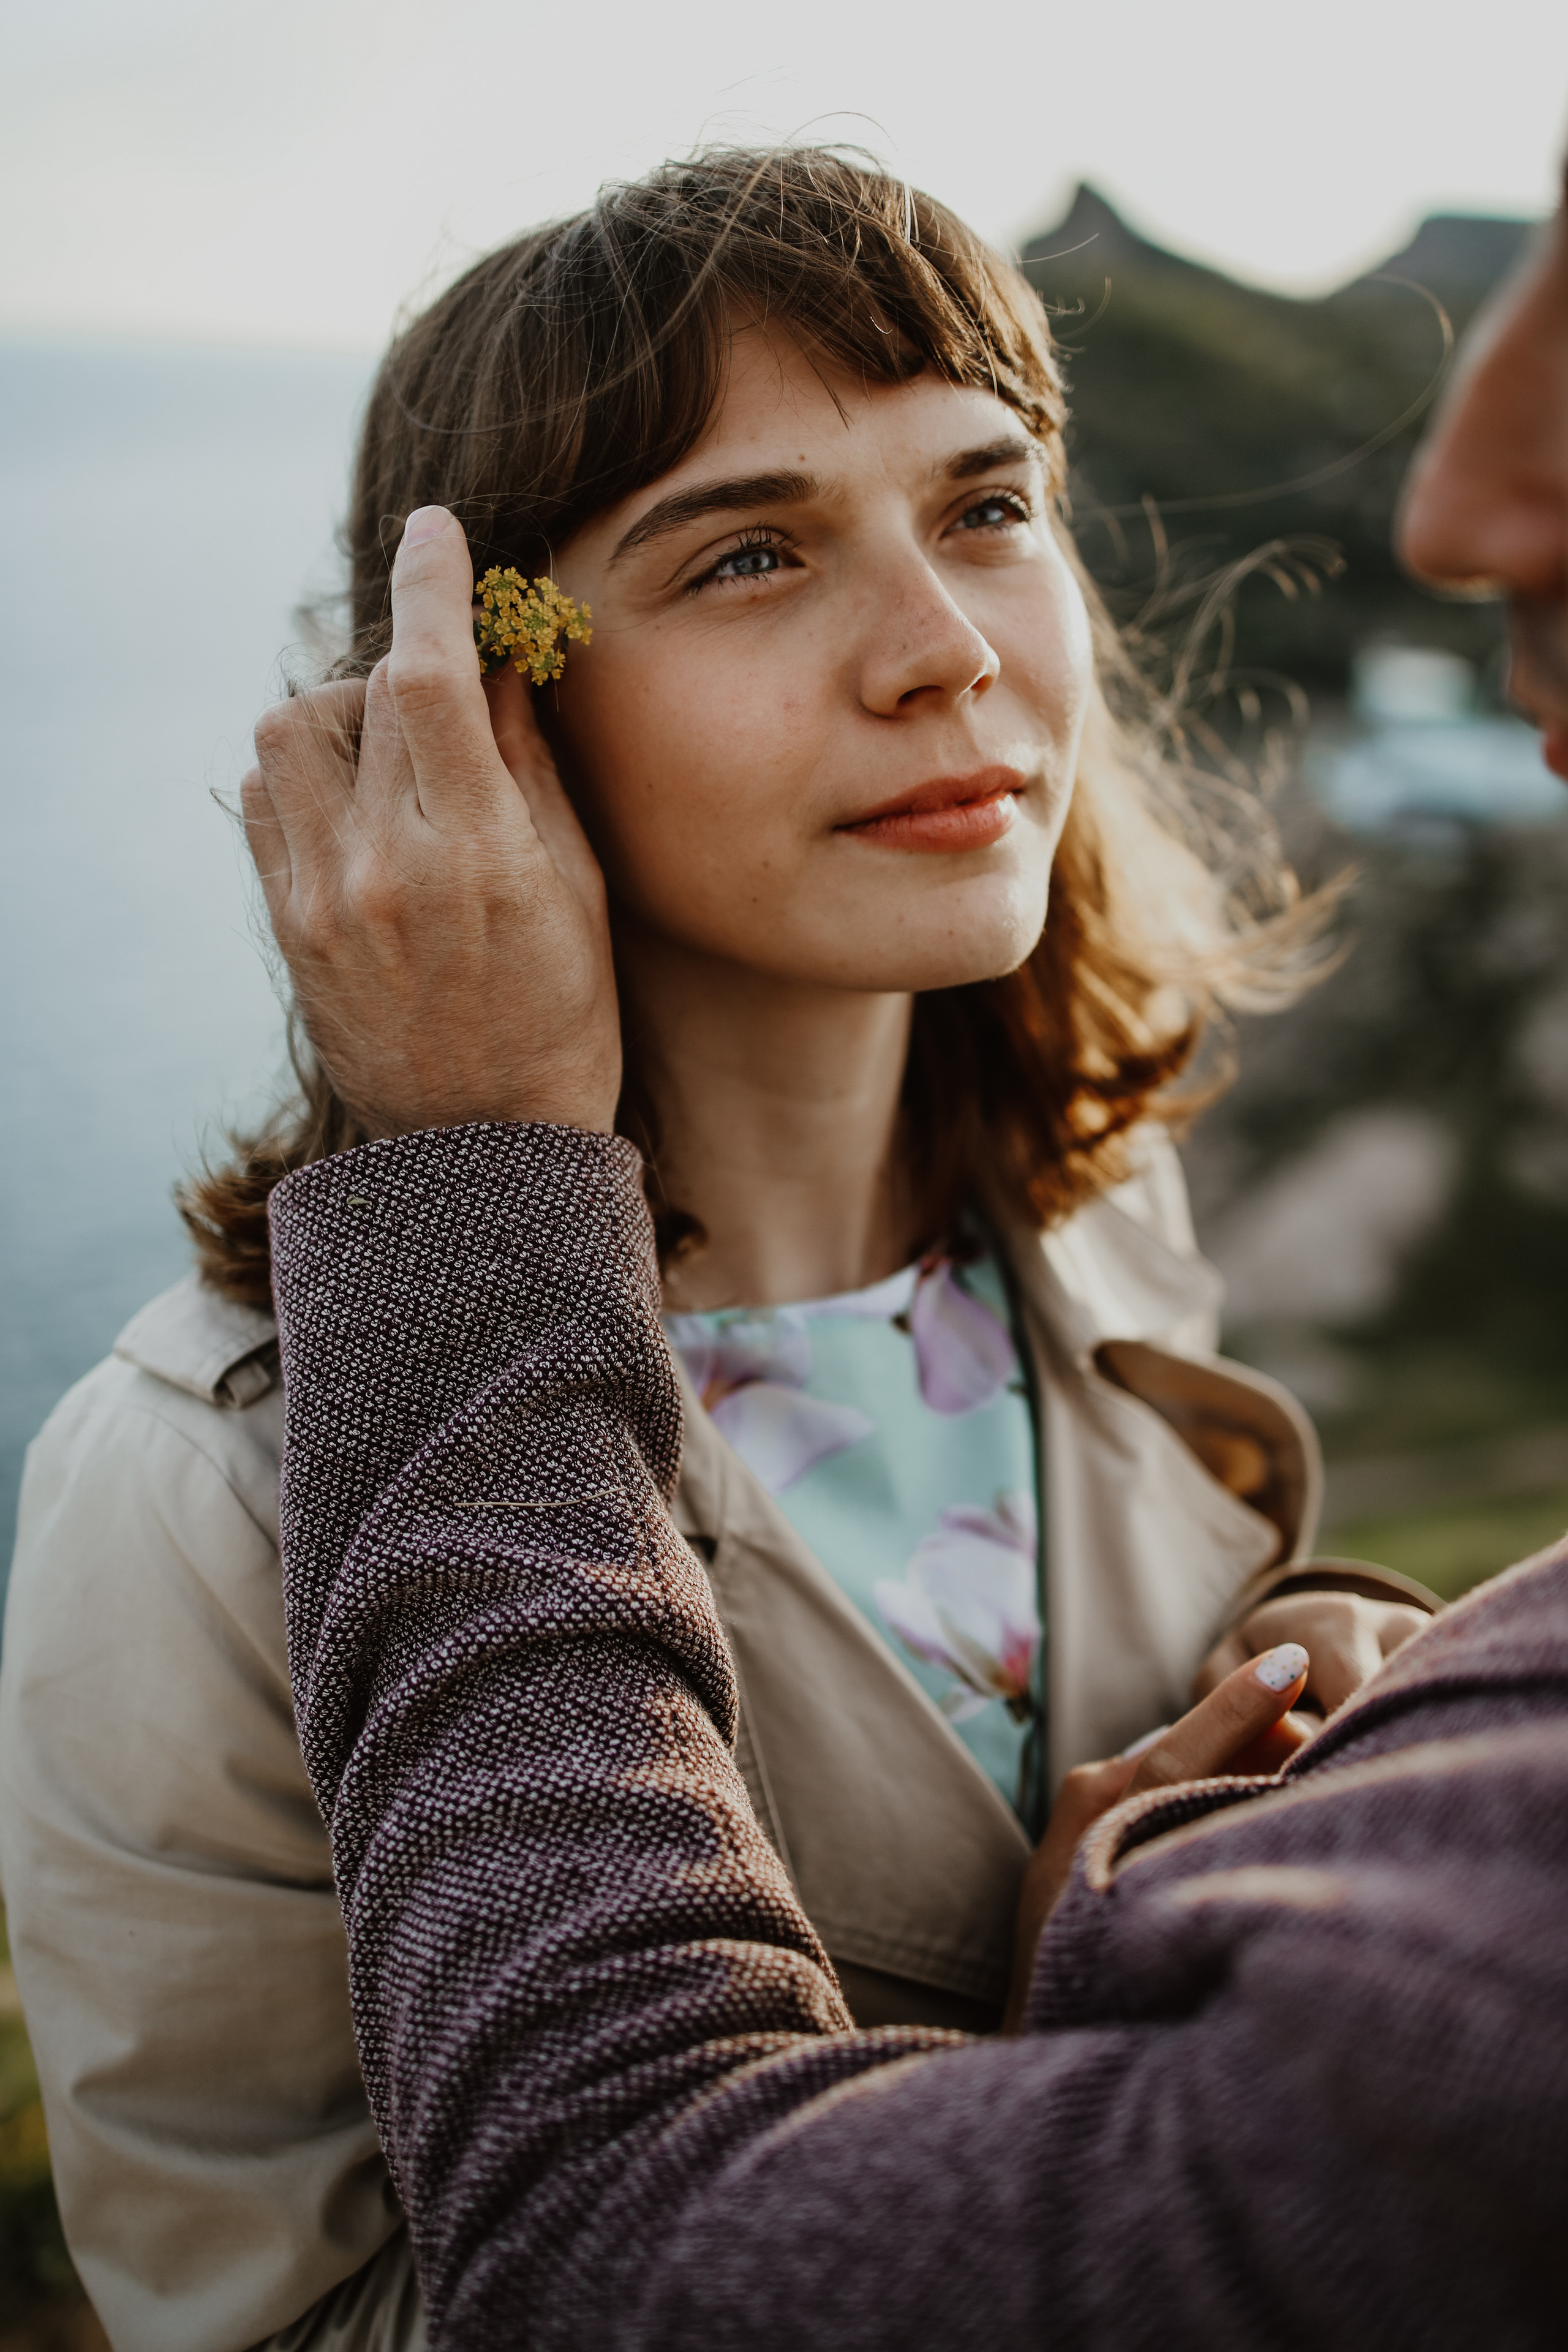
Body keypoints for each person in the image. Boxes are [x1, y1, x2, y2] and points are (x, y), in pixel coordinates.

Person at [0, 152, 1436, 2351]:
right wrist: (1086, 2094)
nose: (949, 651)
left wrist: (1343, 1666)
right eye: (752, 554)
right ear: (475, 711)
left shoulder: (1091, 1213)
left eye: (987, 506)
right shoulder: (201, 1486)